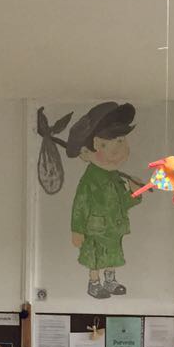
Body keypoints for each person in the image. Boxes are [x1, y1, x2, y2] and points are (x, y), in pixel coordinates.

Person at [67, 101, 142, 300]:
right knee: (95, 258)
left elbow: (122, 203)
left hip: (113, 228)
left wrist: (134, 193)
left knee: (112, 256)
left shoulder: (115, 177)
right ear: (86, 153)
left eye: (120, 141)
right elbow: (80, 205)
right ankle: (94, 283)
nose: (115, 151)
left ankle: (110, 281)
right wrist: (77, 230)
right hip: (95, 229)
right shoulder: (90, 180)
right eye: (104, 145)